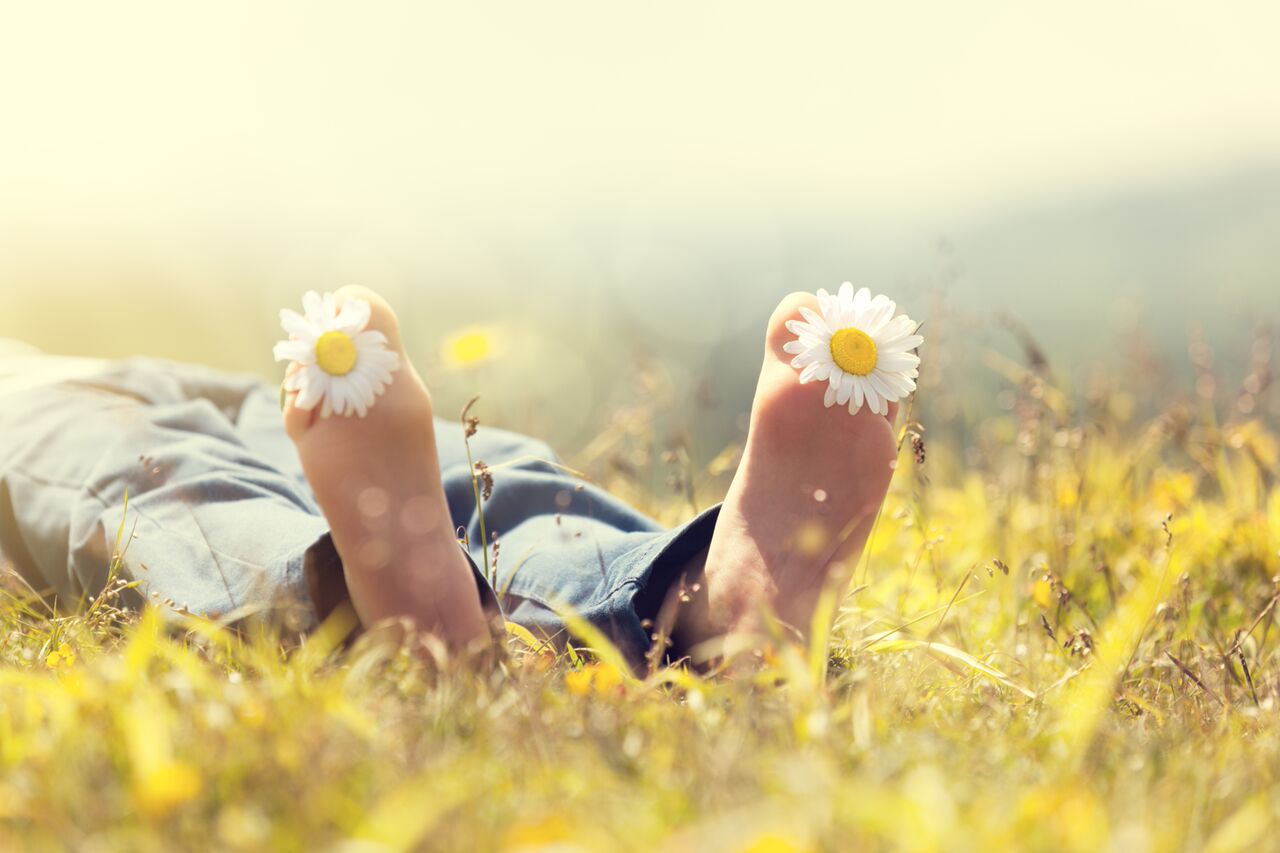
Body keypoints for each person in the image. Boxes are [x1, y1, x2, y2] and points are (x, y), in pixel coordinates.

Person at [0, 287, 903, 670]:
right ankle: (354, 597)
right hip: (29, 405)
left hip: (132, 370)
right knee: (143, 474)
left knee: (463, 462)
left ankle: (700, 599)